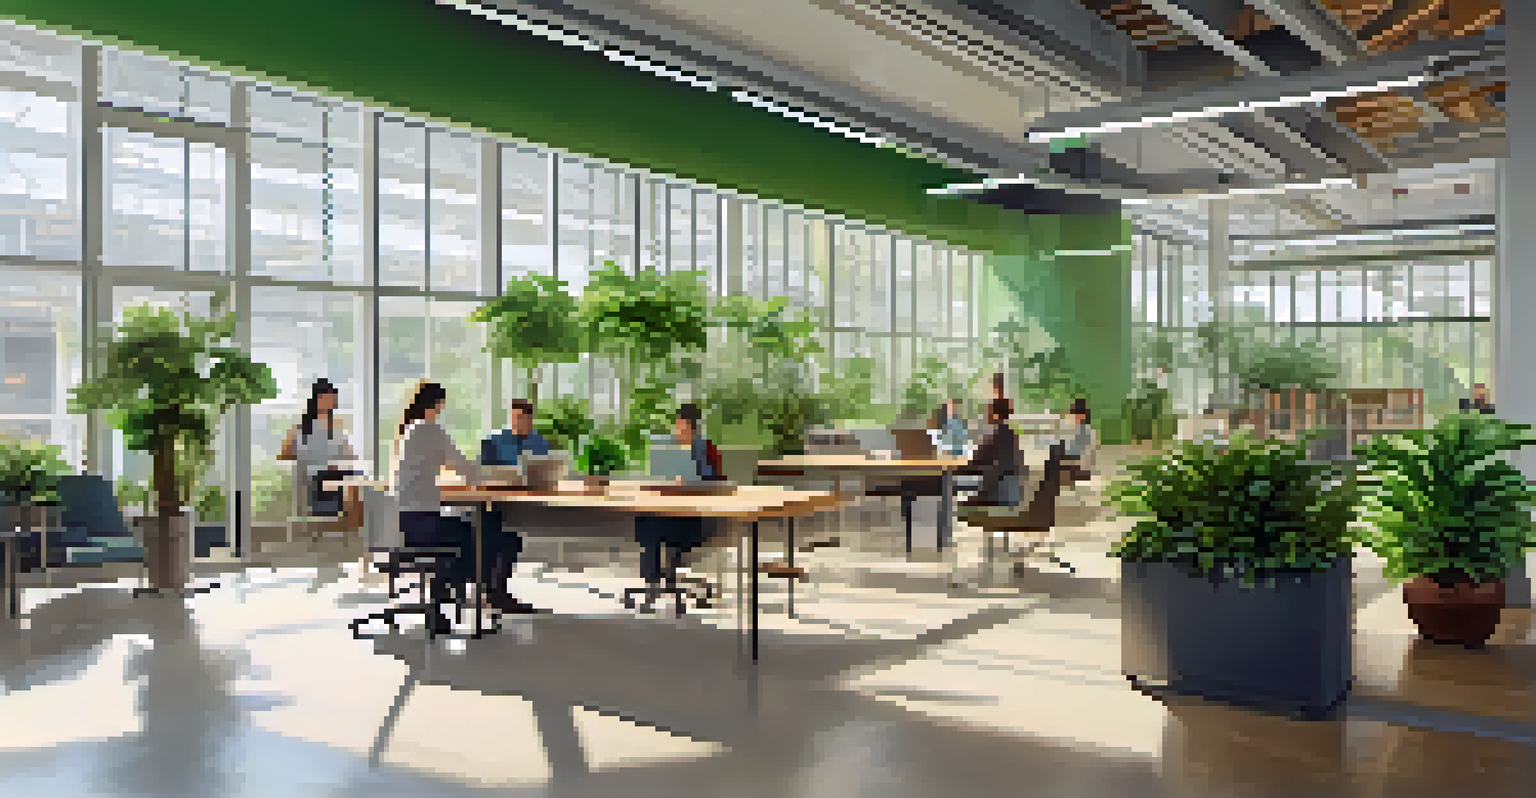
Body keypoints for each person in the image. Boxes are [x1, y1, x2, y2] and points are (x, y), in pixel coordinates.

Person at [391, 381, 484, 635]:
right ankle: (448, 595)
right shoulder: (430, 429)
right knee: (473, 532)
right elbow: (462, 466)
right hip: (421, 522)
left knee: (461, 529)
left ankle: (448, 594)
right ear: (437, 404)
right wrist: (491, 479)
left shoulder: (410, 429)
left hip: (404, 522)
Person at [629, 404, 725, 613]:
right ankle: (653, 582)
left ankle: (653, 585)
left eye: (683, 426)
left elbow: (715, 482)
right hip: (668, 511)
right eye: (678, 425)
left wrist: (690, 481)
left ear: (693, 427)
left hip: (695, 519)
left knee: (651, 526)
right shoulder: (669, 447)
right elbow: (657, 473)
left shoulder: (704, 448)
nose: (678, 430)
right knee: (646, 519)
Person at [476, 399, 552, 614]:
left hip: (532, 498)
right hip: (497, 500)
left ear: (531, 419)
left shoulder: (540, 442)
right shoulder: (493, 441)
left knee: (508, 537)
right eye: (516, 417)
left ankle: (494, 591)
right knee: (495, 531)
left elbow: (548, 470)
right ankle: (492, 591)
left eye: (525, 418)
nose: (520, 422)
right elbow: (484, 473)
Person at [278, 378, 357, 517]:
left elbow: (348, 454)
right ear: (319, 398)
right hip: (314, 479)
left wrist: (342, 464)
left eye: (335, 399)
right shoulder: (302, 427)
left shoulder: (337, 427)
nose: (334, 403)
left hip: (334, 477)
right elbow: (285, 453)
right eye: (331, 399)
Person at [962, 398, 1020, 507]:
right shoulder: (1008, 434)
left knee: (954, 488)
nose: (986, 415)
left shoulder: (998, 435)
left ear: (995, 415)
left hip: (999, 495)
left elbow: (979, 459)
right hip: (1009, 492)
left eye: (989, 411)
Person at [1061, 397, 1096, 483]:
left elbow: (1076, 453)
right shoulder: (1082, 430)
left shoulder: (1084, 431)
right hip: (1079, 465)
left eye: (1076, 415)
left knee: (1056, 451)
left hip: (1081, 468)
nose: (1074, 418)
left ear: (1083, 416)